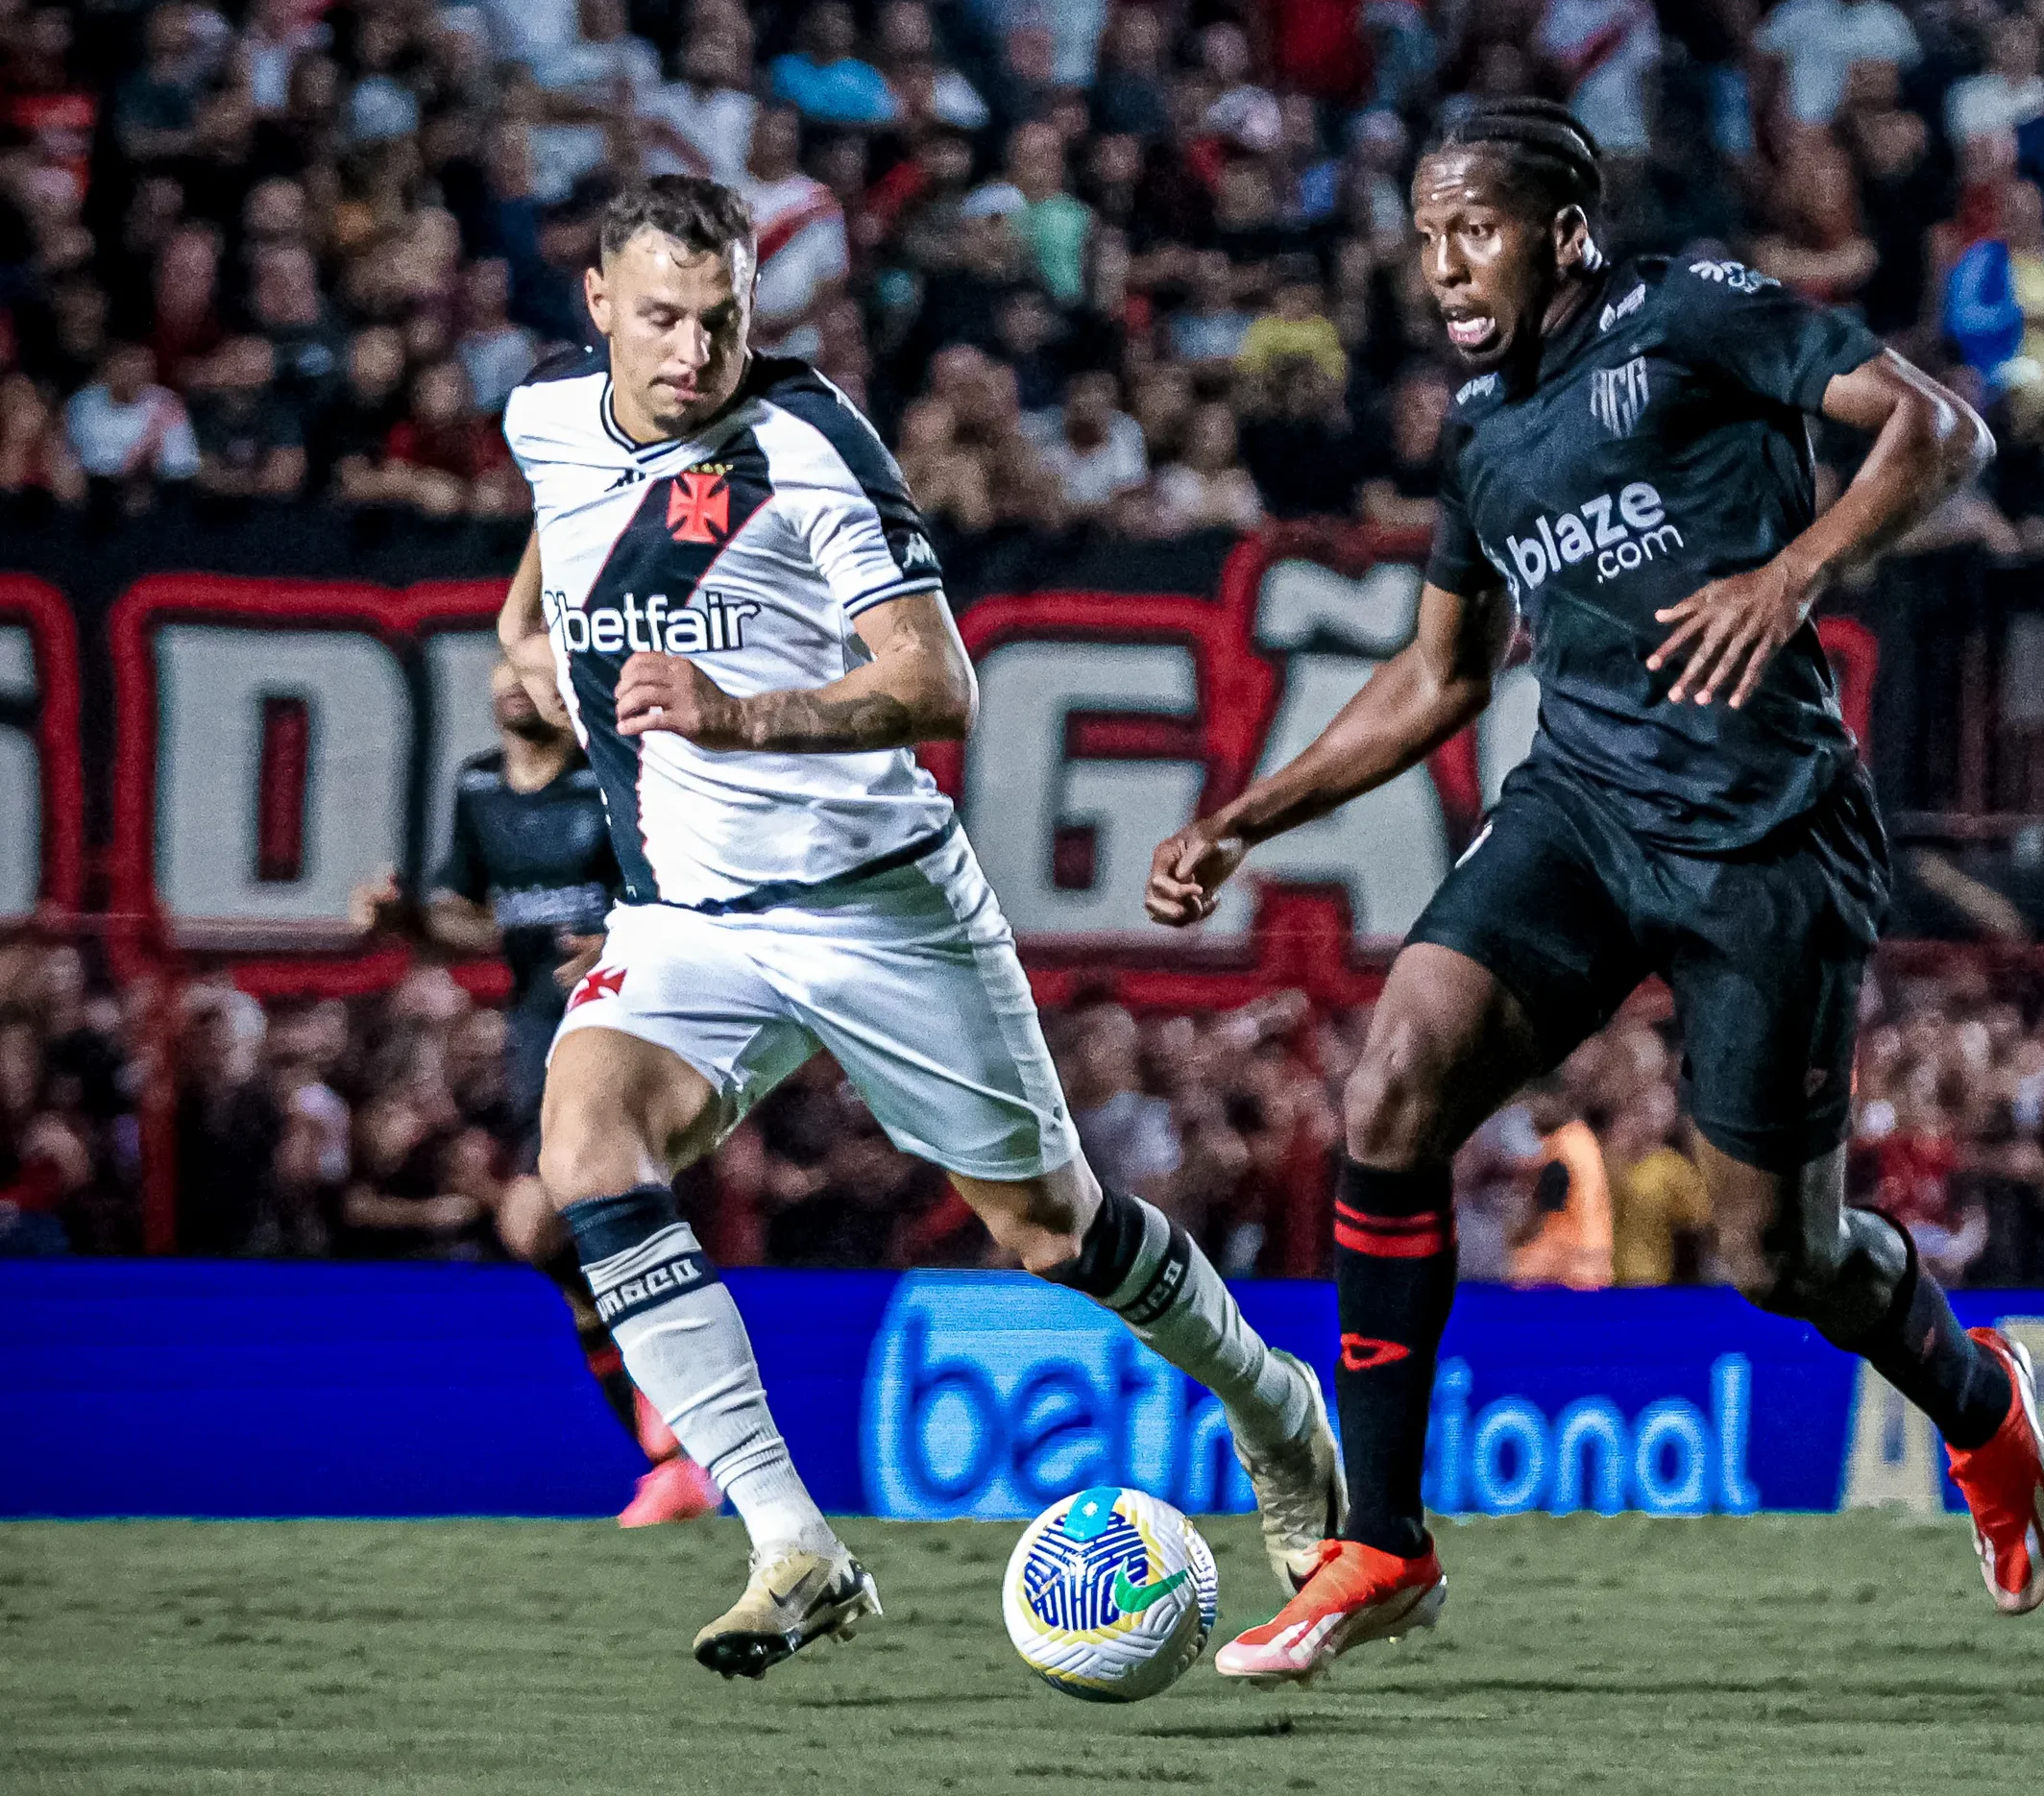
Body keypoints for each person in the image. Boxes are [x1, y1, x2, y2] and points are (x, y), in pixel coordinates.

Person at [1145, 99, 2044, 1684]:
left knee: (1780, 1257)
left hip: (1762, 831)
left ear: (1564, 231)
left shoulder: (1694, 313)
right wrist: (1247, 817)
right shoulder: (1484, 430)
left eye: (1474, 229)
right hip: (1581, 810)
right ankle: (1381, 1539)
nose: (1443, 265)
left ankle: (1977, 1404)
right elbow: (1440, 678)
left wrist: (1792, 574)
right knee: (1398, 1081)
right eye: (1426, 237)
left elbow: (1940, 430)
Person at [498, 175, 1340, 1679]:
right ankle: (789, 1544)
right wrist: (525, 631)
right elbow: (567, 528)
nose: (696, 354)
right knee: (582, 1150)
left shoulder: (807, 445)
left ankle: (1275, 1407)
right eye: (667, 321)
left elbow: (940, 683)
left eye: (725, 319)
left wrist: (740, 711)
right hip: (690, 915)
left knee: (1052, 1234)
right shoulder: (546, 414)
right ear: (600, 309)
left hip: (877, 904)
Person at [352, 659, 713, 1527]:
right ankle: (671, 1452)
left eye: (540, 665)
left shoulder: (613, 775)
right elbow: (477, 916)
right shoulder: (480, 784)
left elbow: (690, 887)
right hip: (533, 1035)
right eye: (506, 663)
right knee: (541, 1234)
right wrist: (405, 924)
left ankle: (678, 1447)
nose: (518, 681)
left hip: (623, 1023)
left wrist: (631, 938)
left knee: (549, 1216)